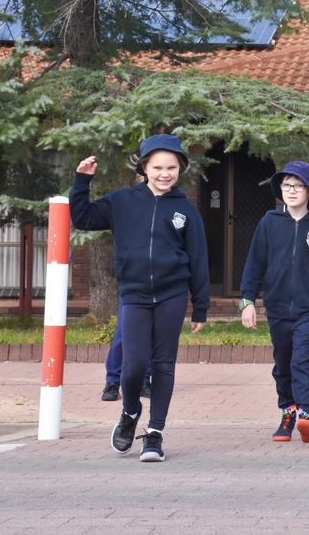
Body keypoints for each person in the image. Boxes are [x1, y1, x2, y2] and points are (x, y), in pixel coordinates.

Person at [70, 133, 209, 462]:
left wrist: (200, 306)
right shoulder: (122, 201)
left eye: (172, 168)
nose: (165, 174)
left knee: (163, 365)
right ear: (144, 167)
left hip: (172, 295)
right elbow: (83, 218)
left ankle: (155, 435)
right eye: (158, 167)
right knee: (132, 366)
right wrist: (81, 181)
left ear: (180, 169)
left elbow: (199, 259)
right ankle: (130, 413)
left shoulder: (185, 211)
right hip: (133, 294)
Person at [239, 161, 309, 444]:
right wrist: (247, 301)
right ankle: (288, 412)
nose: (292, 190)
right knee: (283, 364)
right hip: (277, 308)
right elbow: (254, 264)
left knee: (303, 359)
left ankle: (307, 414)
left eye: (298, 186)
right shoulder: (269, 223)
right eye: (287, 186)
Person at [100, 302, 152, 401]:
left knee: (149, 334)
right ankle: (112, 382)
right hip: (130, 289)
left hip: (156, 290)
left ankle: (144, 381)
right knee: (123, 334)